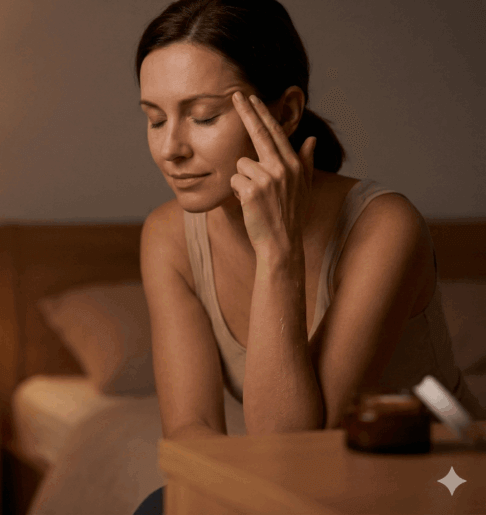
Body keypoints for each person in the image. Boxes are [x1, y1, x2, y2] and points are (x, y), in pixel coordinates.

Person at [132, 0, 484, 513]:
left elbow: (292, 442)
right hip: (302, 488)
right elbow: (191, 432)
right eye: (155, 119)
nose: (171, 148)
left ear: (286, 111)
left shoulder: (386, 228)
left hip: (445, 477)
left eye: (203, 116)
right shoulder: (167, 237)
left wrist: (277, 250)